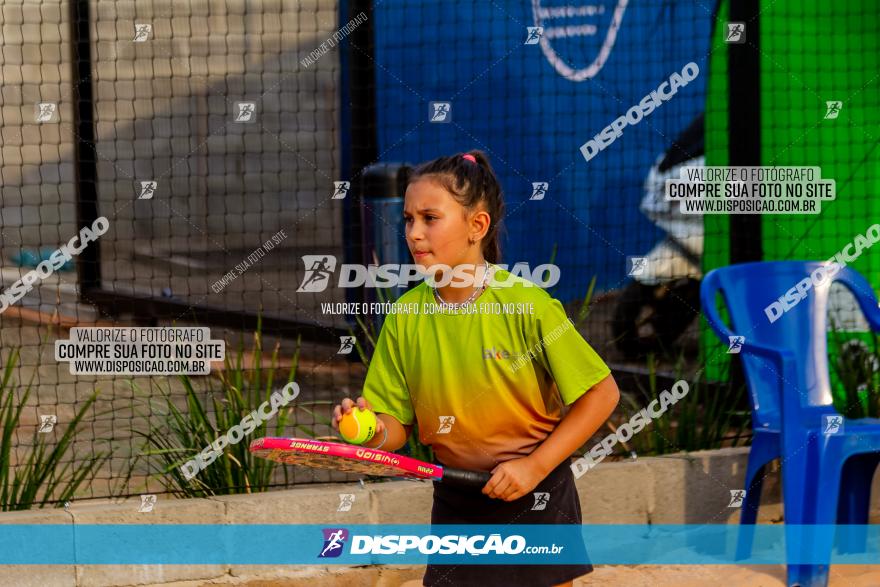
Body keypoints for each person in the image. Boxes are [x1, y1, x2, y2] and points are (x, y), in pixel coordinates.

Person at [332, 150, 620, 587]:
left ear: (477, 227)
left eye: (430, 218)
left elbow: (603, 395)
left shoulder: (528, 305)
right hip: (457, 499)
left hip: (537, 494)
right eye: (409, 219)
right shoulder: (404, 317)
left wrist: (534, 467)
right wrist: (369, 429)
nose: (414, 232)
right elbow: (396, 426)